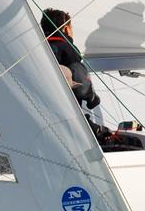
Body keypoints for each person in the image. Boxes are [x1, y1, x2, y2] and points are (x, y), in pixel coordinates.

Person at [40, 8, 110, 142]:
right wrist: (92, 97)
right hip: (67, 118)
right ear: (66, 29)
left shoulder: (39, 48)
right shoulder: (67, 50)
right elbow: (79, 78)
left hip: (44, 114)